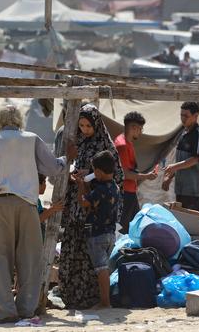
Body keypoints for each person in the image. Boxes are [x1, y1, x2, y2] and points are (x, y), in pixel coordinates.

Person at [0, 105, 73, 324]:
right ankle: (26, 309)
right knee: (30, 258)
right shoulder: (32, 139)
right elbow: (52, 168)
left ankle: (5, 312)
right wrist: (68, 159)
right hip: (28, 204)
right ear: (20, 121)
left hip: (0, 204)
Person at [58, 104, 124, 309]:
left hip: (94, 210)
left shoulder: (106, 148)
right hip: (76, 205)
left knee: (93, 259)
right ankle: (71, 296)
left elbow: (117, 177)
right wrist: (73, 173)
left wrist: (89, 175)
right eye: (82, 125)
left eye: (88, 125)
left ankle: (96, 298)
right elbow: (69, 169)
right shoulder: (78, 143)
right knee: (73, 248)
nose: (85, 129)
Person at [74, 150, 120, 309]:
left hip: (96, 234)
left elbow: (84, 202)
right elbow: (94, 202)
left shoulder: (100, 190)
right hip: (110, 234)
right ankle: (104, 300)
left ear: (99, 172)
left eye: (94, 171)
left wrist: (80, 186)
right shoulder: (114, 187)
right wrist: (87, 186)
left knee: (101, 269)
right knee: (104, 268)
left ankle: (105, 302)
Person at [114, 111, 157, 234]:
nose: (141, 132)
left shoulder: (128, 143)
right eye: (140, 129)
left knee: (134, 226)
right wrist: (147, 176)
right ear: (133, 128)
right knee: (122, 230)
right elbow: (125, 174)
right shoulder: (122, 145)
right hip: (125, 192)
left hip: (130, 192)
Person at [163, 102, 199, 211]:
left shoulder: (198, 133)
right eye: (181, 115)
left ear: (195, 116)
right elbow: (180, 160)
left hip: (193, 192)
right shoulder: (183, 133)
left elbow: (196, 159)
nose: (183, 119)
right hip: (180, 189)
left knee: (190, 222)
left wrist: (174, 167)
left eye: (186, 116)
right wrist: (169, 177)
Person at [36, 174, 64, 238]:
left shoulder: (37, 200)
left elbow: (40, 211)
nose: (45, 185)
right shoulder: (34, 200)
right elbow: (38, 219)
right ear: (38, 185)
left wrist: (48, 210)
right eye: (44, 182)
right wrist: (53, 209)